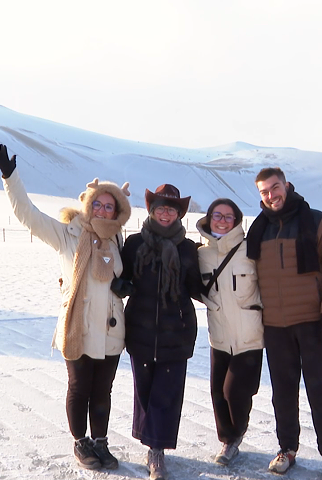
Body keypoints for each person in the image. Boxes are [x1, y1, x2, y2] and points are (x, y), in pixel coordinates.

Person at [0, 144, 131, 471]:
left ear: (117, 212)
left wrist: (129, 286)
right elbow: (28, 214)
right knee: (79, 387)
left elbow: (132, 275)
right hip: (77, 326)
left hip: (111, 329)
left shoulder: (121, 242)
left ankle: (101, 443)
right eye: (97, 203)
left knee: (103, 390)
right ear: (87, 204)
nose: (102, 209)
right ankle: (81, 442)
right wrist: (10, 177)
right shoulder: (66, 235)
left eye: (109, 205)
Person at [247, 167, 322, 479]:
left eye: (274, 188)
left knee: (320, 390)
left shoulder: (317, 221)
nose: (270, 195)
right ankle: (287, 449)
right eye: (264, 191)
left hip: (314, 323)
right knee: (282, 392)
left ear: (287, 185)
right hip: (276, 326)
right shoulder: (259, 229)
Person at [116, 184, 203, 480]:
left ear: (179, 213)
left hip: (176, 330)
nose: (165, 213)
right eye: (160, 208)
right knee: (144, 391)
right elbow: (121, 274)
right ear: (151, 211)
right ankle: (149, 439)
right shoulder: (134, 243)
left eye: (171, 208)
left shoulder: (189, 248)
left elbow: (197, 288)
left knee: (167, 394)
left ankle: (156, 452)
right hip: (140, 329)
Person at [195, 198, 264, 466]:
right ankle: (227, 440)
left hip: (250, 336)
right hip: (219, 335)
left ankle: (237, 433)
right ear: (209, 218)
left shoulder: (251, 250)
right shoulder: (200, 255)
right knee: (217, 393)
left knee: (235, 392)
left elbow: (269, 284)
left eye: (228, 216)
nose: (222, 220)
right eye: (217, 215)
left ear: (237, 220)